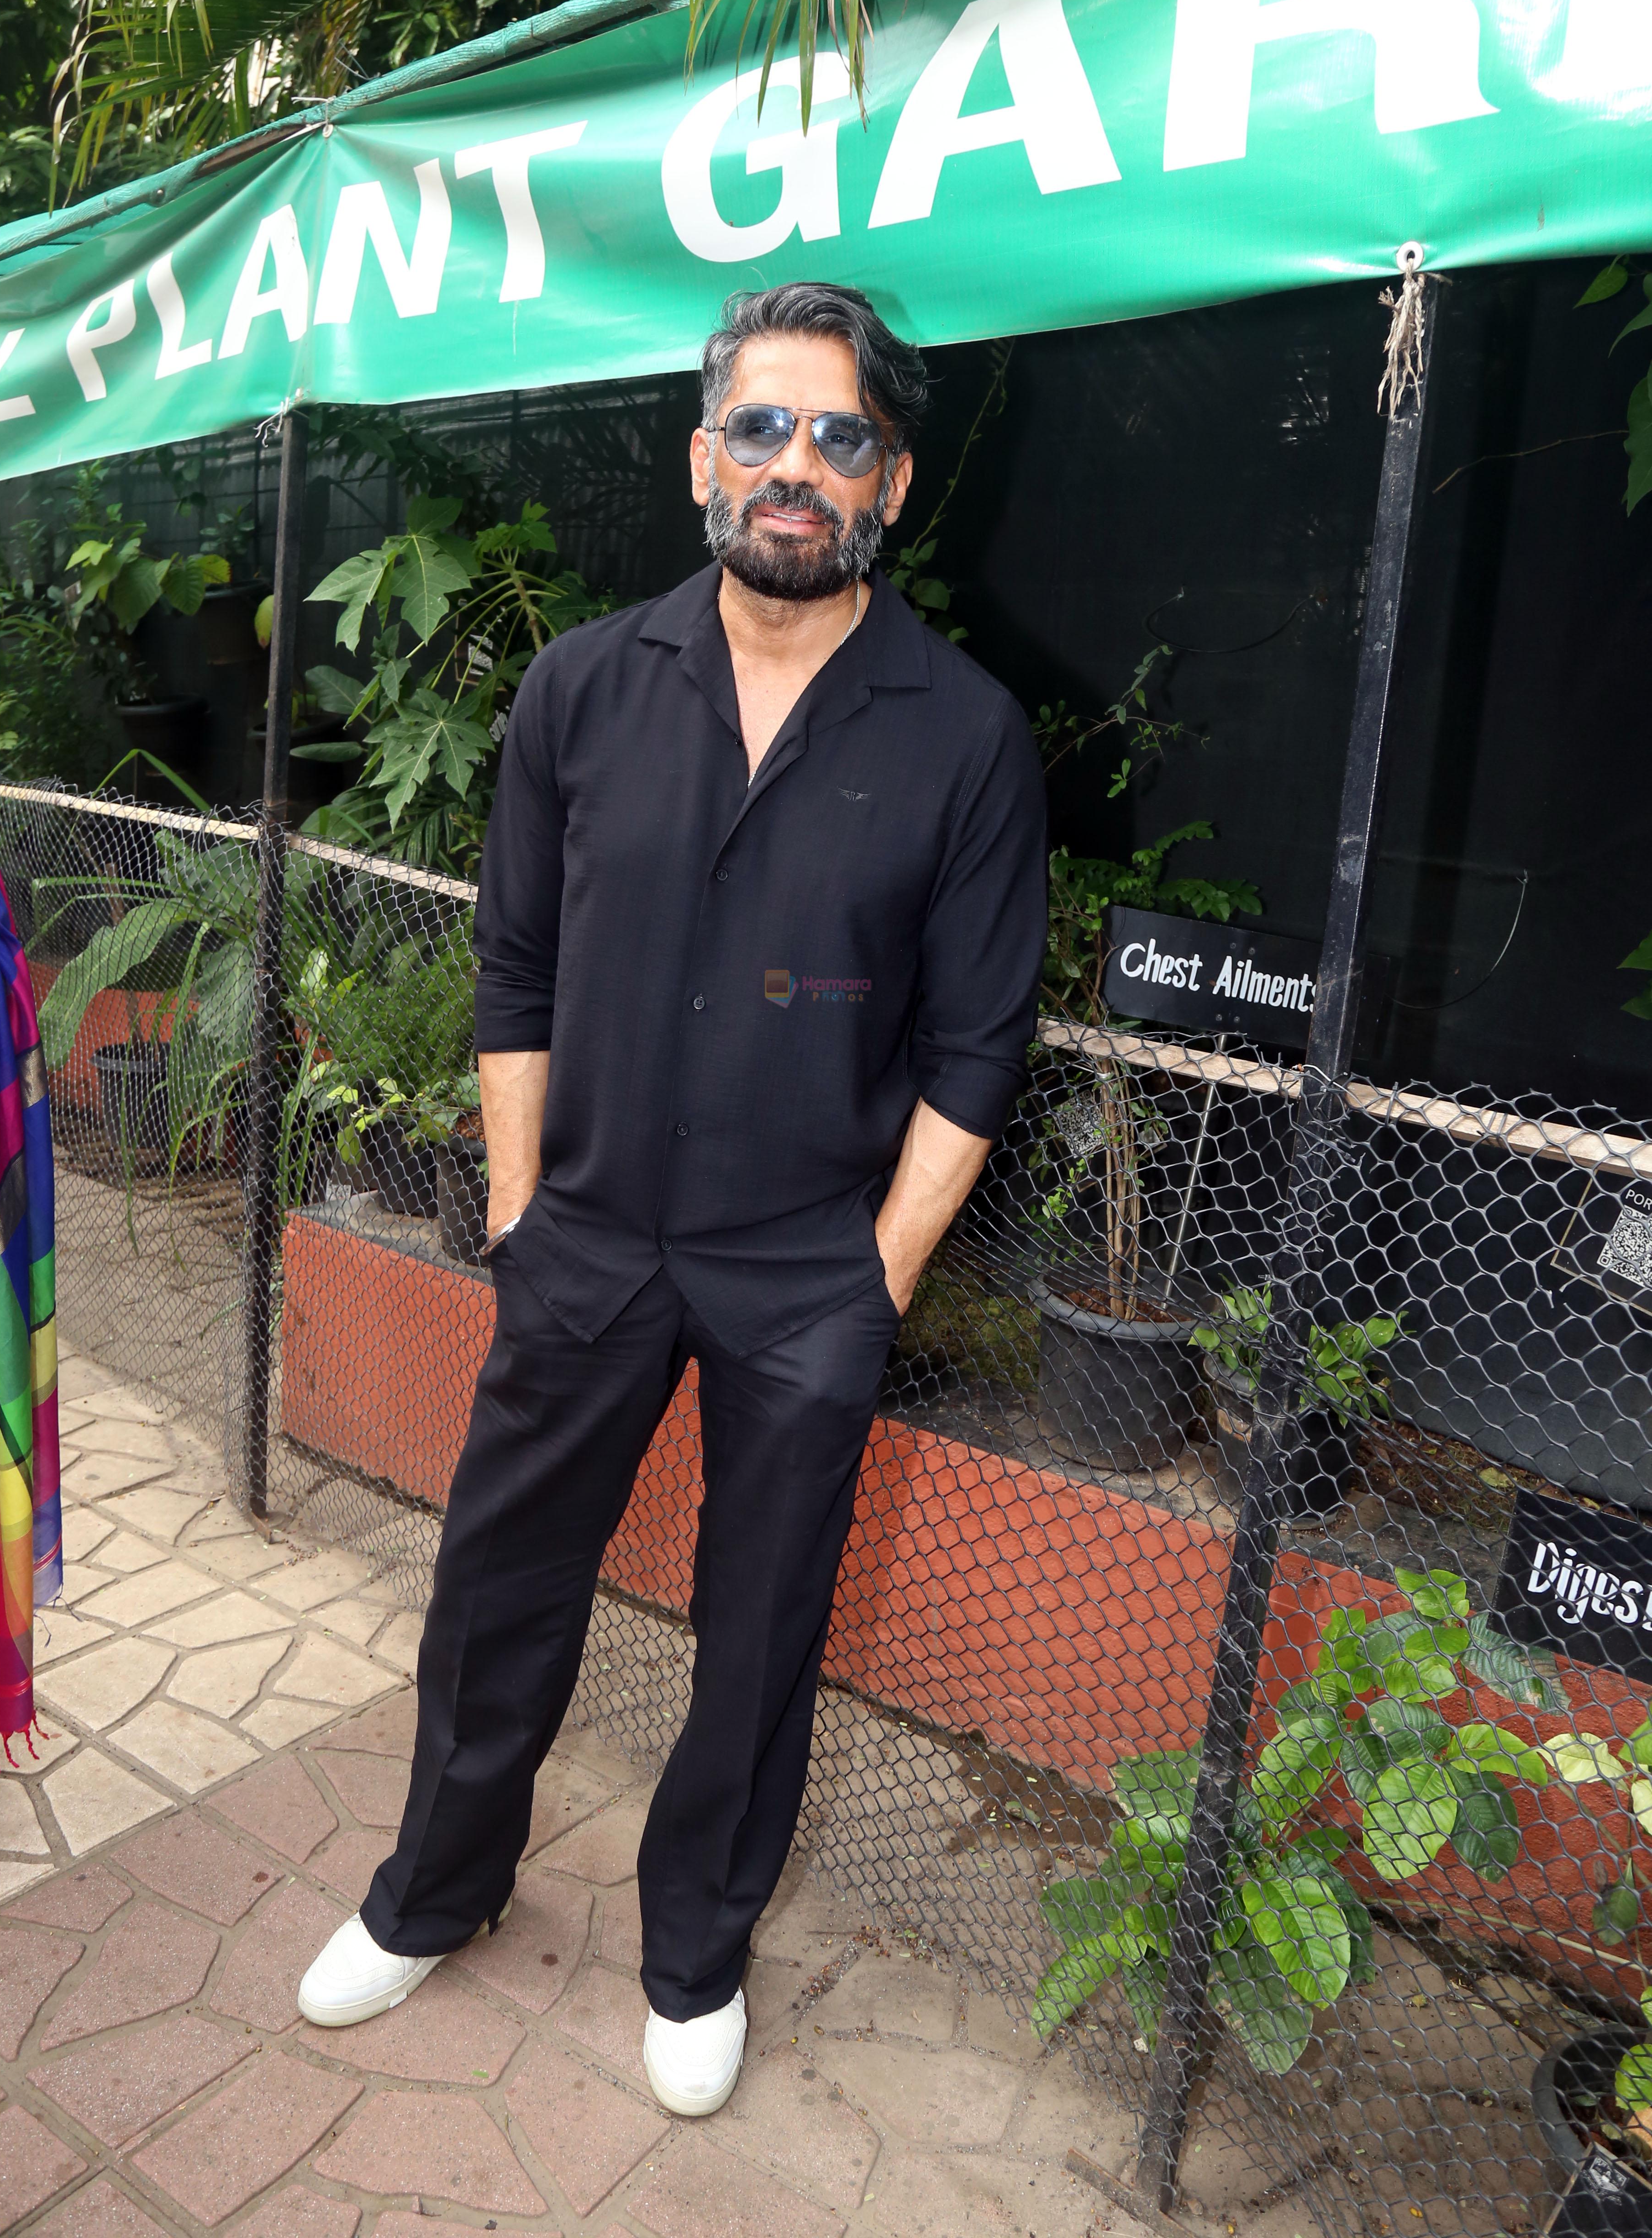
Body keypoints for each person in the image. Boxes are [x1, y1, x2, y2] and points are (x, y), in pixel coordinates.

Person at [297, 280, 1047, 2117]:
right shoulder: (581, 690)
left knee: (764, 1624)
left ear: (893, 483)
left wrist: (870, 1278)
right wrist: (515, 1203)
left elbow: (975, 1054)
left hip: (809, 1274)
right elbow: (513, 976)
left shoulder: (962, 735)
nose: (798, 468)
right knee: (497, 1585)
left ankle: (695, 1954)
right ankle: (430, 1895)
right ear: (702, 455)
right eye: (764, 430)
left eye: (840, 436)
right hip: (587, 1242)